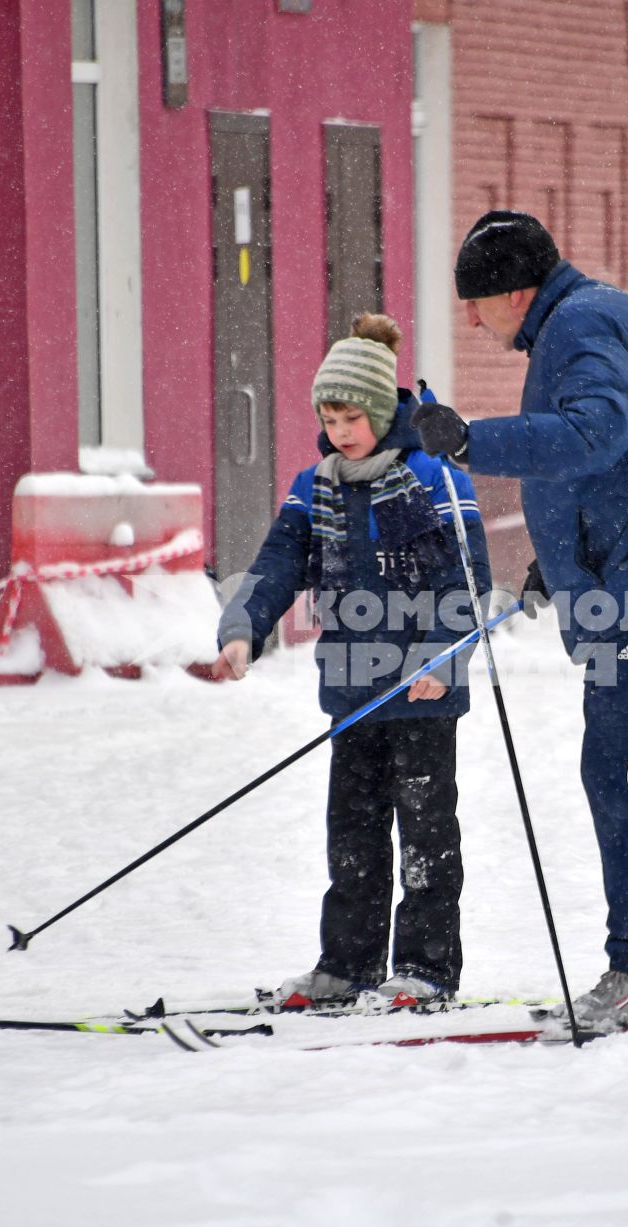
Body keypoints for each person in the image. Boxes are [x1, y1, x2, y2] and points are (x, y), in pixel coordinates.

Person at [412, 210, 628, 1029]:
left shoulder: (581, 321)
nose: (472, 319)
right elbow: (613, 458)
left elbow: (595, 433)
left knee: (626, 777)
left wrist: (469, 442)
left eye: (478, 302)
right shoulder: (581, 319)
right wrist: (557, 562)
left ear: (514, 292)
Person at [212, 314, 490, 1007]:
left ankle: (425, 970)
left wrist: (439, 658)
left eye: (351, 417)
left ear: (381, 408)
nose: (339, 431)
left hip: (425, 692)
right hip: (352, 691)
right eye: (329, 418)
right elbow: (279, 563)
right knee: (353, 836)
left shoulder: (431, 477)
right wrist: (243, 628)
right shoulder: (318, 485)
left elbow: (464, 580)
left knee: (427, 838)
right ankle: (348, 964)